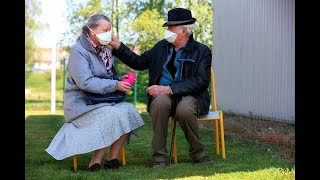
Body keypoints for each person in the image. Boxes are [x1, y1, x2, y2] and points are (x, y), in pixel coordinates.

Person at [108, 8, 214, 169]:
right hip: (164, 97)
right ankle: (159, 158)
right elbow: (139, 62)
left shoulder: (202, 51)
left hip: (191, 96)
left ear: (184, 31)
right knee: (159, 103)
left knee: (184, 109)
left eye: (170, 28)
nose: (167, 31)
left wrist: (168, 88)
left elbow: (201, 81)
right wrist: (118, 46)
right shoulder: (161, 47)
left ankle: (198, 154)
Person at [45, 14, 145, 172]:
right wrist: (115, 85)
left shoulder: (104, 50)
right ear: (92, 31)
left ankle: (112, 158)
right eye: (106, 30)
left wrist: (119, 79)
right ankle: (95, 161)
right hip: (82, 105)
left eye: (110, 30)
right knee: (111, 115)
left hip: (100, 100)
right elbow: (85, 82)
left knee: (129, 111)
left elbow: (105, 78)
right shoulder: (79, 51)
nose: (110, 34)